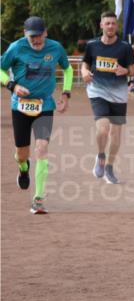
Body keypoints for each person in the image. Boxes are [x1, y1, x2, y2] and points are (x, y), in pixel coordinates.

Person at [0, 16, 72, 214]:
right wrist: (12, 86)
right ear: (25, 35)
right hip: (20, 106)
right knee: (22, 153)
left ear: (45, 33)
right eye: (32, 37)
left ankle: (38, 199)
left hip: (45, 105)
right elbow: (1, 69)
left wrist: (66, 94)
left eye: (39, 36)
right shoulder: (16, 48)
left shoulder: (56, 48)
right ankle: (23, 169)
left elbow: (67, 70)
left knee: (42, 148)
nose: (36, 40)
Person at [81, 11, 134, 185]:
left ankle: (110, 167)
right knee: (103, 129)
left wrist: (125, 71)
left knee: (116, 134)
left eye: (113, 23)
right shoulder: (92, 45)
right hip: (97, 91)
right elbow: (85, 64)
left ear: (116, 26)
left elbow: (133, 71)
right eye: (107, 23)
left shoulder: (125, 47)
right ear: (101, 25)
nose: (111, 26)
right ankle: (100, 156)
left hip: (119, 94)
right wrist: (84, 72)